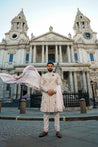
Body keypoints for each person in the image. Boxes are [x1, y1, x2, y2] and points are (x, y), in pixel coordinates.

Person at [39, 61, 63, 138]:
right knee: (46, 114)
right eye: (48, 66)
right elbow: (41, 85)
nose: (50, 67)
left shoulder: (57, 75)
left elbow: (59, 84)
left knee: (56, 114)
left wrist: (54, 90)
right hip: (46, 95)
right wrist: (47, 90)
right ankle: (45, 130)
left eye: (51, 66)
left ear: (53, 67)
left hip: (54, 95)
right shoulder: (43, 76)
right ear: (47, 67)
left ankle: (57, 130)